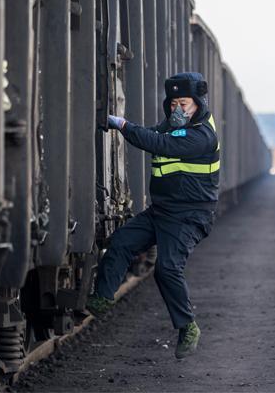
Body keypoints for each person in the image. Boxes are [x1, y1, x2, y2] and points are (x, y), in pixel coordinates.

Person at [87, 72, 220, 359]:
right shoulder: (171, 126)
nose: (178, 110)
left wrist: (122, 124)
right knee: (121, 241)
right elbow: (154, 135)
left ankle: (188, 327)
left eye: (184, 103)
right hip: (162, 210)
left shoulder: (202, 135)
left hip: (190, 215)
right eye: (173, 104)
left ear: (198, 103)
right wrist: (124, 127)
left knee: (167, 269)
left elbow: (159, 144)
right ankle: (101, 298)